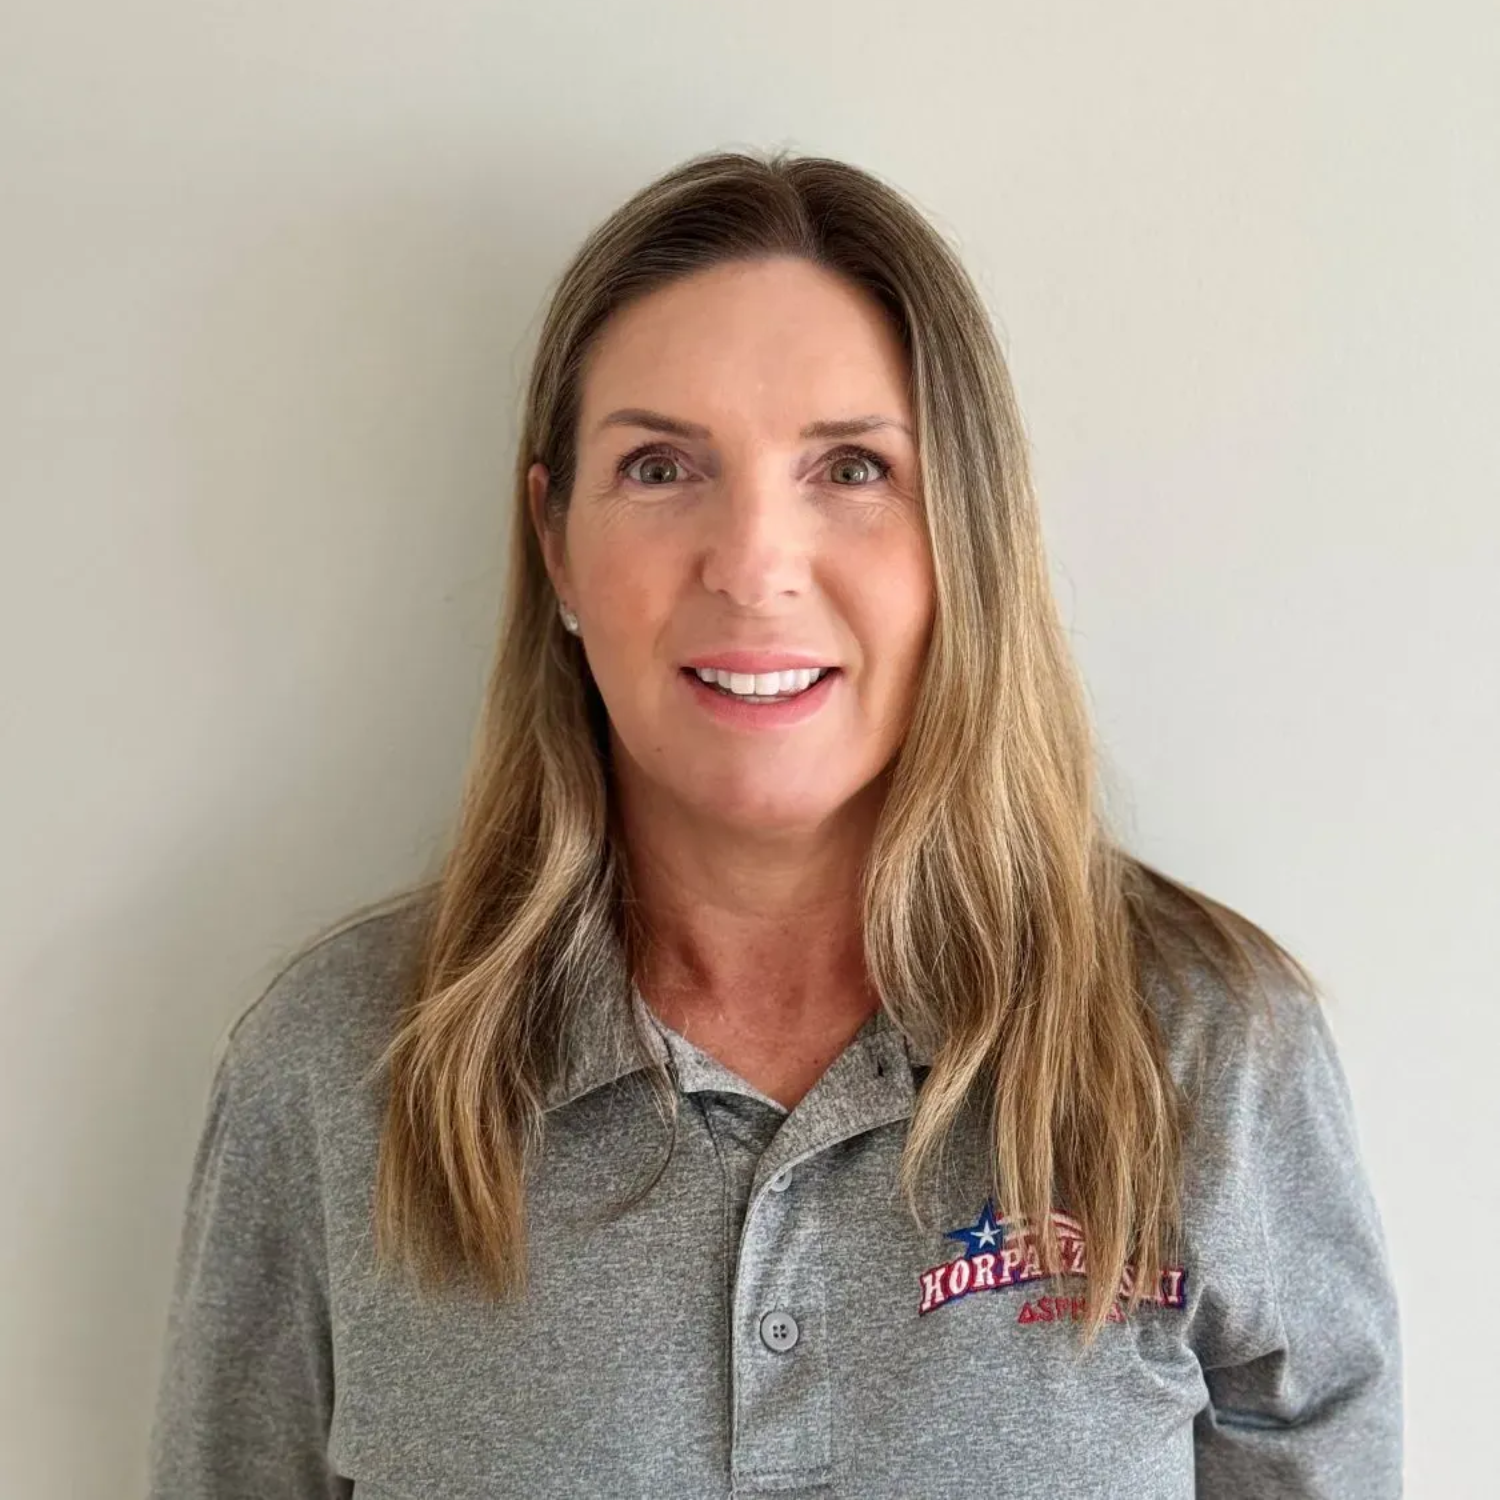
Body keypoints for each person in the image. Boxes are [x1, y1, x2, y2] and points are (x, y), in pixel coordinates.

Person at [145, 149, 1402, 1499]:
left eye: (853, 467)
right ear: (556, 541)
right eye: (660, 465)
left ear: (964, 536)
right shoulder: (338, 1070)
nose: (752, 565)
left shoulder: (1207, 1051)